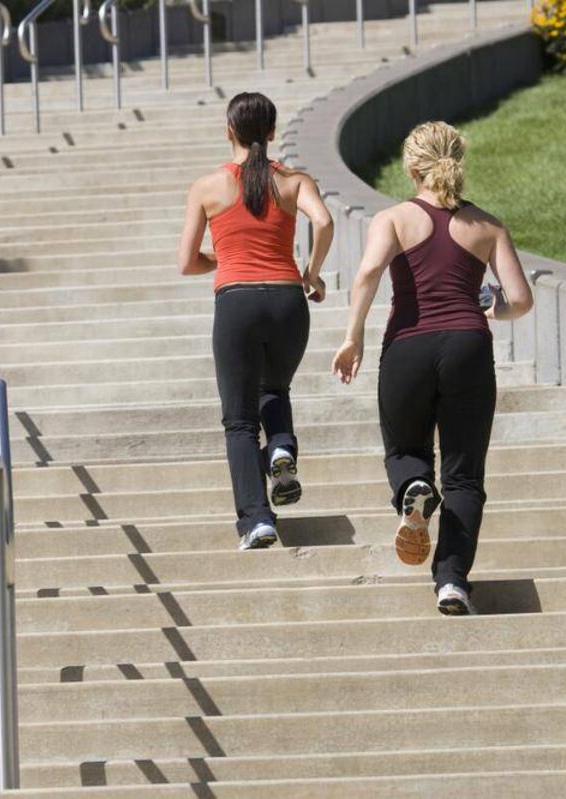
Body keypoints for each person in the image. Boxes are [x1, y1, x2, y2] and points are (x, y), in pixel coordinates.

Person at [331, 121, 533, 615]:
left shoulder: (395, 218)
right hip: (468, 346)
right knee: (464, 476)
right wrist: (490, 304)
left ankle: (414, 486)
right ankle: (451, 582)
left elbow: (369, 272)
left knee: (404, 449)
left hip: (408, 348)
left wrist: (352, 335)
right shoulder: (487, 225)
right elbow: (521, 300)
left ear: (411, 166)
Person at [178, 91, 334, 551]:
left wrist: (223, 256)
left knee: (240, 421)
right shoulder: (294, 181)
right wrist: (312, 273)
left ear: (229, 131)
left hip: (237, 302)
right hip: (289, 300)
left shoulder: (207, 187)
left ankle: (256, 520)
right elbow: (323, 223)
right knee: (275, 388)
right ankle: (282, 445)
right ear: (272, 132)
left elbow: (187, 261)